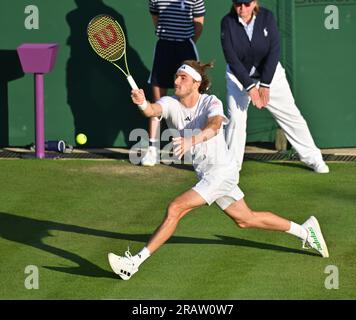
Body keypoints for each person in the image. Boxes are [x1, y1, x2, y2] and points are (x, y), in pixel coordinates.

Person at [107, 60, 329, 280]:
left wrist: (192, 140)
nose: (176, 81)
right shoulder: (170, 102)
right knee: (245, 219)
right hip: (208, 174)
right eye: (176, 76)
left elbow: (213, 126)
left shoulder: (211, 102)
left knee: (176, 208)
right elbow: (151, 110)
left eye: (182, 77)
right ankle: (305, 231)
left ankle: (133, 263)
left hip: (221, 172)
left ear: (196, 83)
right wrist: (142, 103)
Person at [221, 0, 330, 173]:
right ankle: (231, 169)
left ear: (255, 2)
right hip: (238, 78)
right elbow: (231, 58)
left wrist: (265, 84)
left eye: (246, 4)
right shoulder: (227, 22)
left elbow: (274, 50)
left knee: (291, 115)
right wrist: (250, 87)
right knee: (235, 119)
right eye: (237, 4)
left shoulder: (267, 17)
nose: (242, 8)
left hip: (270, 75)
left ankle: (314, 158)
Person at [141, 0, 206, 166]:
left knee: (193, 100)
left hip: (186, 46)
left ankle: (196, 147)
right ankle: (153, 149)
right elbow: (155, 18)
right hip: (164, 47)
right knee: (157, 101)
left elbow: (199, 23)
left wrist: (187, 42)